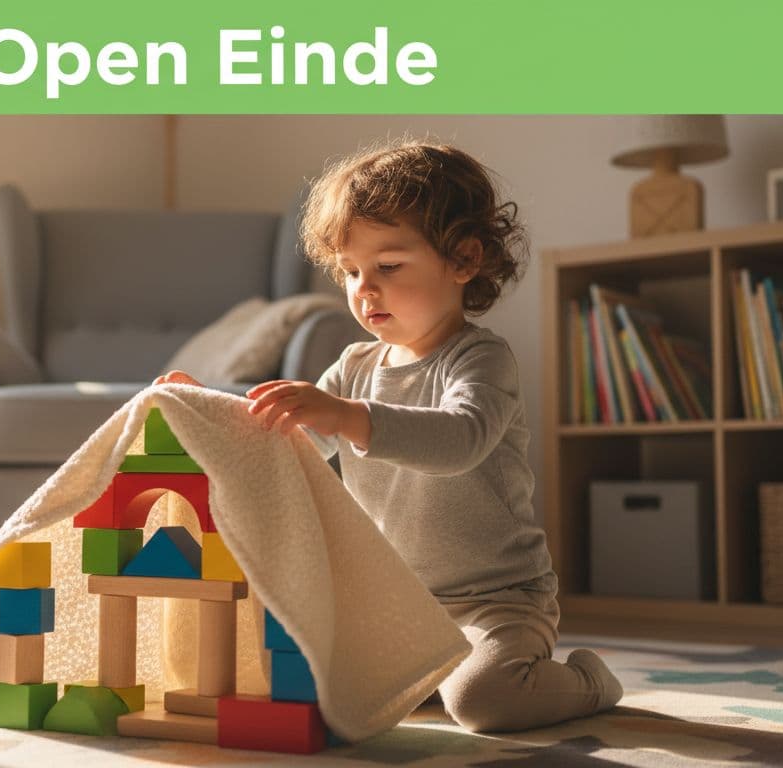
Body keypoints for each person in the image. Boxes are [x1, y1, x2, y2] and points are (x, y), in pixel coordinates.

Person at [157, 140, 623, 733]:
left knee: (483, 702)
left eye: (389, 267)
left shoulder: (480, 359)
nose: (364, 288)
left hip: (495, 602)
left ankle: (588, 680)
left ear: (464, 259)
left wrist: (349, 417)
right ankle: (424, 677)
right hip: (392, 604)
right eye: (351, 271)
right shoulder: (353, 367)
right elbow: (288, 445)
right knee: (301, 681)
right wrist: (205, 409)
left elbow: (461, 440)